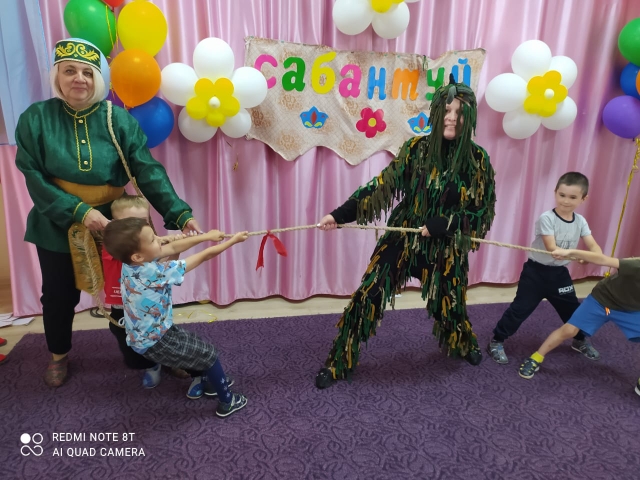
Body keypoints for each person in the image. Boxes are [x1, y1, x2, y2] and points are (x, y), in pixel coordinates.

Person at [15, 38, 203, 388]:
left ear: (98, 78)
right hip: (56, 222)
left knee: (132, 293)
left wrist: (179, 213)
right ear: (57, 76)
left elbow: (146, 169)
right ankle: (58, 355)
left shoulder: (117, 118)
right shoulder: (35, 118)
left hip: (116, 224)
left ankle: (152, 354)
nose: (79, 78)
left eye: (88, 72)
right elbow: (33, 176)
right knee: (58, 295)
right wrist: (79, 211)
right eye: (69, 70)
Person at [315, 74, 497, 389]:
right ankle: (339, 361)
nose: (452, 118)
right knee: (368, 295)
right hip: (404, 238)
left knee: (450, 303)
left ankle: (462, 341)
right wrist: (340, 215)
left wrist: (448, 223)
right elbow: (381, 186)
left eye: (459, 113)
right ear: (437, 113)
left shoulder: (478, 160)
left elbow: (482, 212)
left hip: (445, 248)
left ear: (469, 118)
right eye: (447, 111)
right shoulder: (416, 149)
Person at [103, 218, 249, 417]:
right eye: (153, 239)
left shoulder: (130, 265)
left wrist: (206, 236)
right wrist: (233, 241)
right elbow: (204, 256)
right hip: (157, 341)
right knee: (210, 355)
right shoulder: (153, 272)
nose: (159, 239)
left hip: (152, 333)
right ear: (137, 256)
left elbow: (171, 248)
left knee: (196, 345)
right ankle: (228, 402)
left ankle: (208, 383)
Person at [104, 195, 214, 397]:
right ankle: (151, 365)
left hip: (153, 312)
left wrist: (176, 244)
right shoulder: (118, 248)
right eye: (129, 222)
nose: (136, 228)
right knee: (135, 347)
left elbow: (165, 267)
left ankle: (188, 369)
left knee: (172, 343)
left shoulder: (148, 245)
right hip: (123, 308)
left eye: (142, 222)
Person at [487, 173, 602, 365]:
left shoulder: (580, 221)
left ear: (583, 199)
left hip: (560, 275)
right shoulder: (547, 218)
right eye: (562, 195)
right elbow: (552, 249)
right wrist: (580, 255)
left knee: (573, 311)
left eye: (573, 197)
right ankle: (497, 340)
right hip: (535, 274)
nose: (566, 201)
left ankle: (579, 339)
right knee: (520, 310)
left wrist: (593, 255)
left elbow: (594, 247)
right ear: (555, 192)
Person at [518, 248, 640, 397]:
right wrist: (570, 253)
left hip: (630, 310)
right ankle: (535, 358)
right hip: (602, 301)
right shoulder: (635, 265)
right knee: (569, 330)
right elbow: (602, 259)